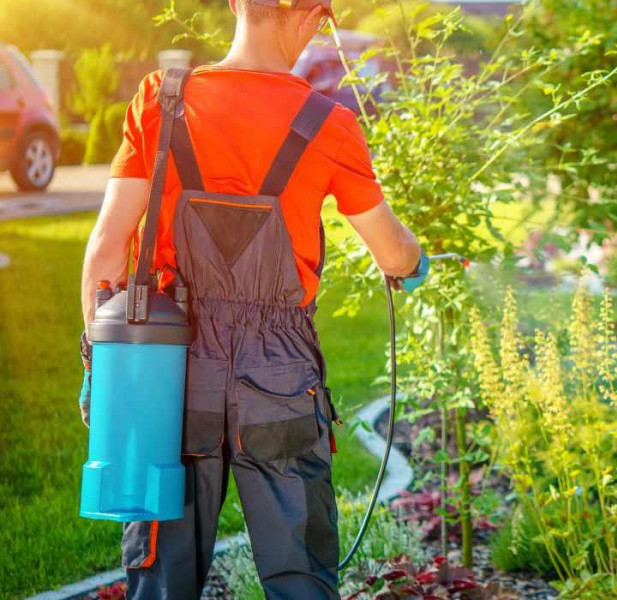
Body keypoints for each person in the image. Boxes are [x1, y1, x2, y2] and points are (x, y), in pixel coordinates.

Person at [78, 1, 424, 598]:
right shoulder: (327, 121)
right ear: (316, 15)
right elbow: (393, 255)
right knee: (301, 579)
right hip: (281, 376)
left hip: (169, 368)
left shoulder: (162, 99)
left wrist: (102, 367)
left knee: (162, 579)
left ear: (236, 3)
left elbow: (106, 252)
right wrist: (414, 265)